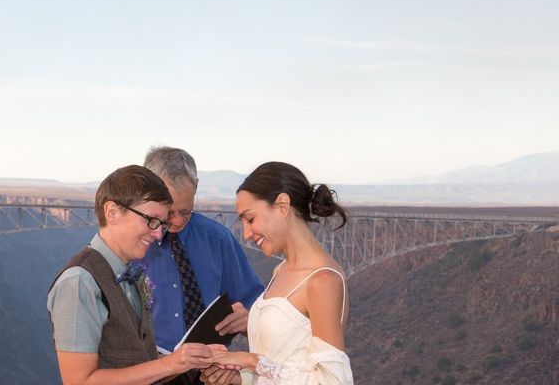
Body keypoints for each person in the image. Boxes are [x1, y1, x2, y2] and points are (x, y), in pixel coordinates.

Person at [47, 165, 219, 385]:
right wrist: (169, 364)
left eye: (162, 224)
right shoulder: (80, 282)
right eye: (151, 220)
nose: (158, 234)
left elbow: (138, 362)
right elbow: (79, 382)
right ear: (112, 213)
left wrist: (190, 360)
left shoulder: (131, 273)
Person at [201, 161, 354, 385]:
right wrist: (239, 377)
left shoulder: (323, 280)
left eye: (250, 219)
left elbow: (332, 381)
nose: (246, 234)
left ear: (282, 205)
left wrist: (251, 361)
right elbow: (283, 363)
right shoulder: (281, 270)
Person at [141, 147, 264, 362]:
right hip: (145, 369)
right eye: (169, 213)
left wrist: (250, 319)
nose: (177, 221)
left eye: (185, 211)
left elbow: (255, 306)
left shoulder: (218, 239)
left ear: (195, 187)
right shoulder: (132, 241)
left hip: (211, 369)